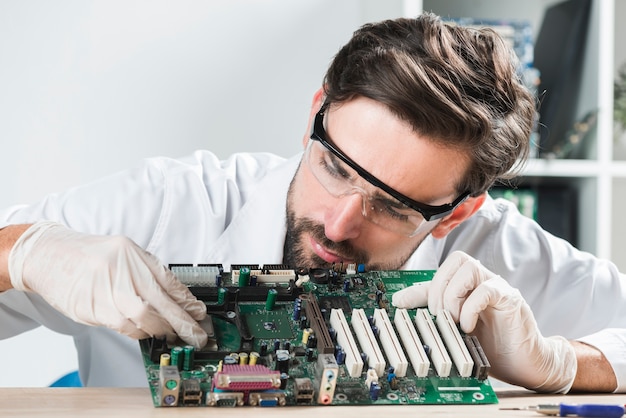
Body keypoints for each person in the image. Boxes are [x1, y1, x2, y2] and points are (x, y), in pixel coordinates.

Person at [0, 12, 623, 392]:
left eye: (396, 207)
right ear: (314, 116)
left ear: (459, 211)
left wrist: (563, 363)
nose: (339, 221)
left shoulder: (493, 250)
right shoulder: (172, 203)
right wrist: (24, 255)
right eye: (335, 166)